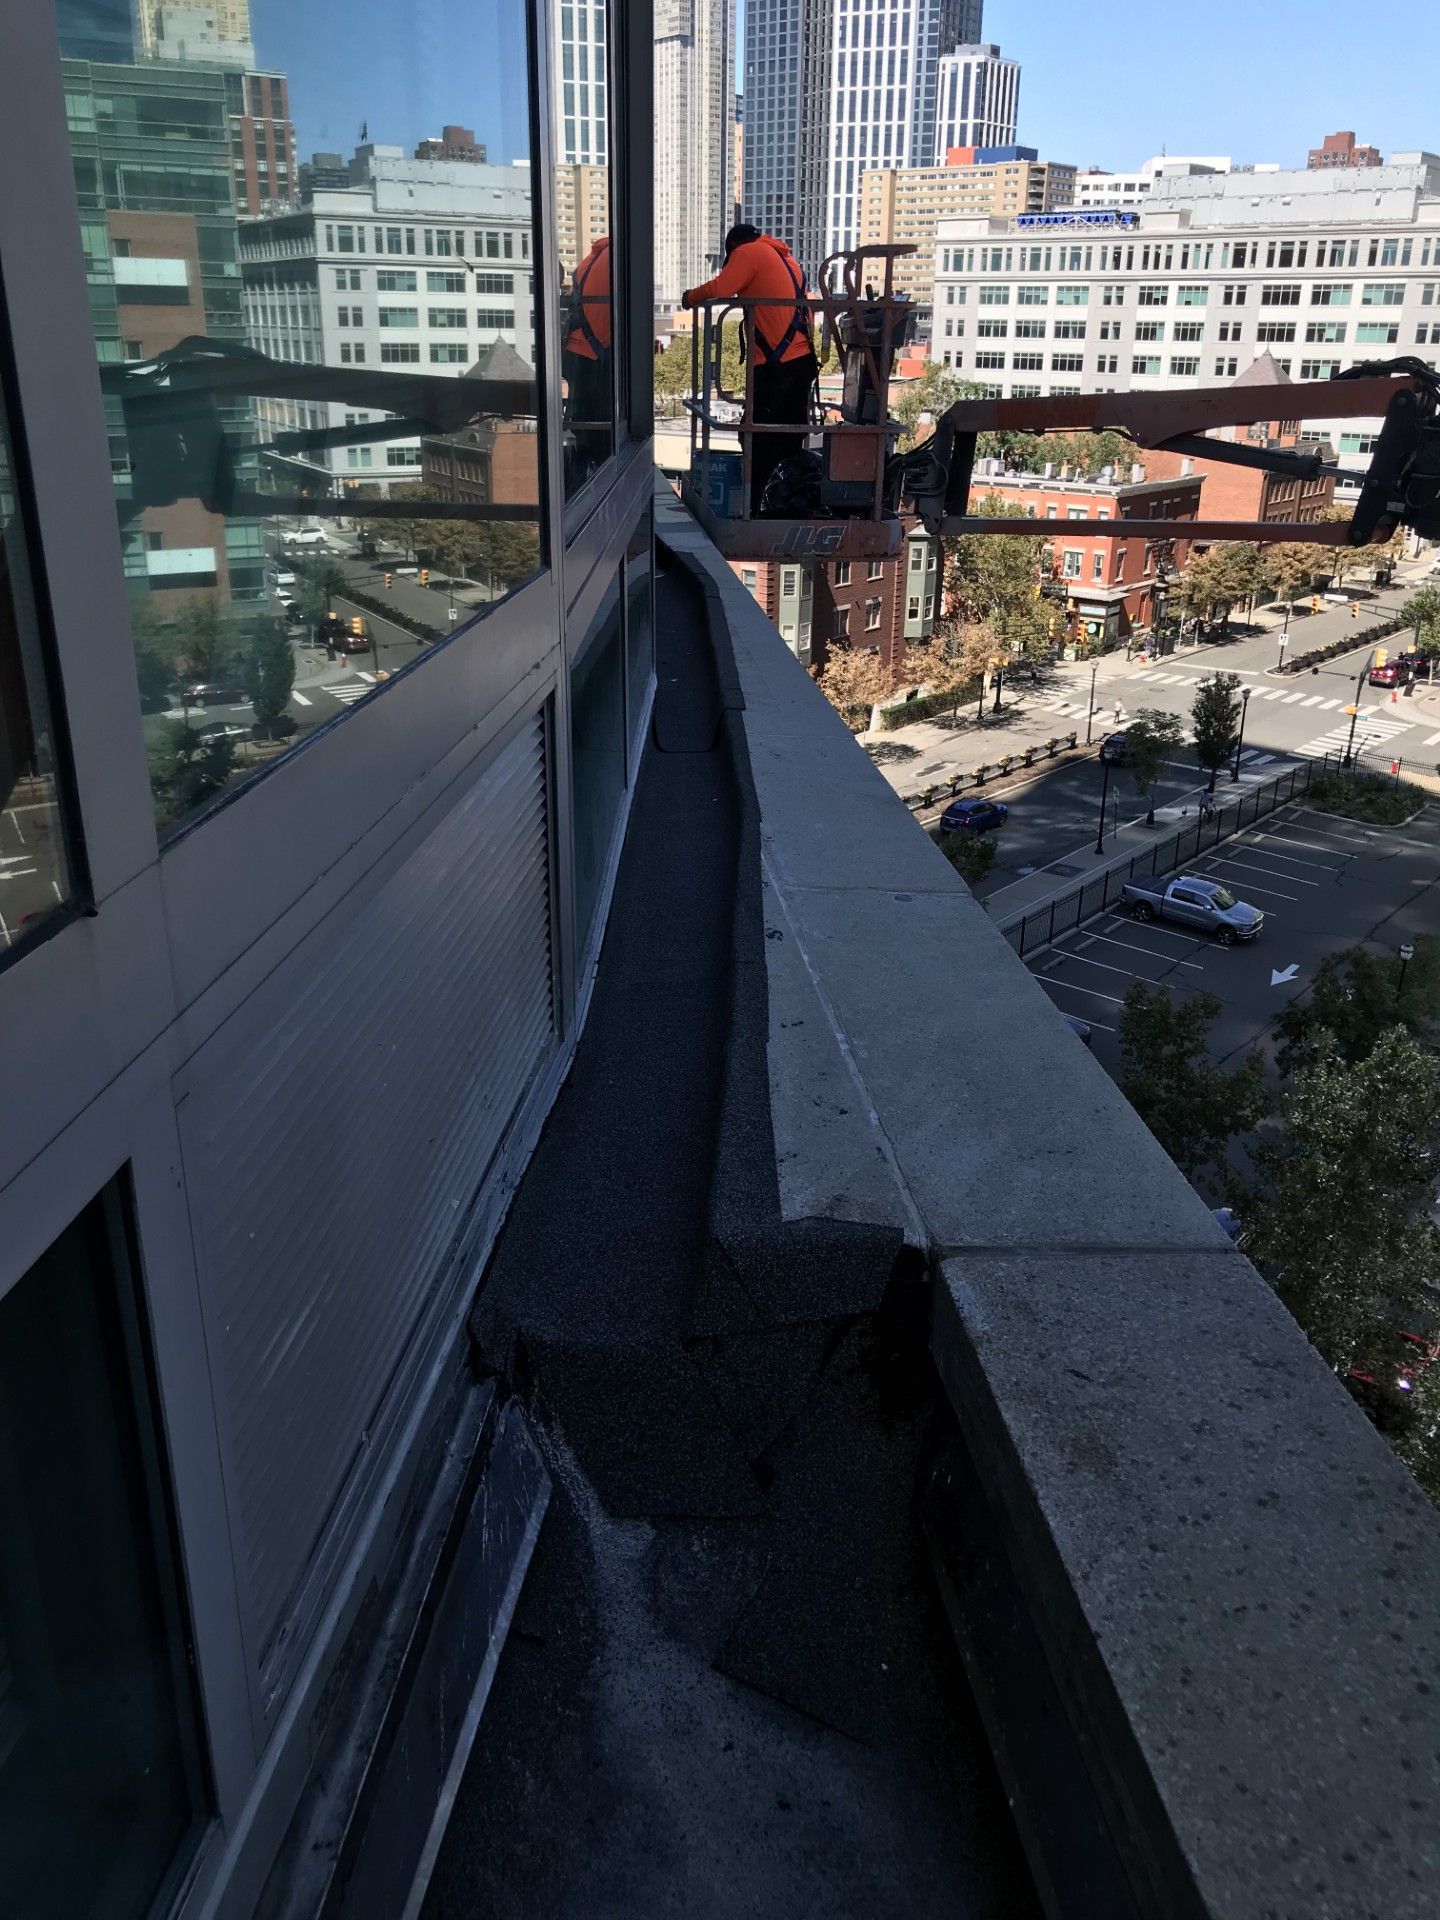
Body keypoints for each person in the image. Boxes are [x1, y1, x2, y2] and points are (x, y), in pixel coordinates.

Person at [683, 224, 817, 515]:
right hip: (799, 362)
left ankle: (757, 511)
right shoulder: (785, 259)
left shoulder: (749, 252)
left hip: (777, 368)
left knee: (759, 439)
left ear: (733, 247)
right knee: (789, 440)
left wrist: (689, 297)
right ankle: (784, 506)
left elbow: (720, 287)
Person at [562, 234, 611, 491]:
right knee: (597, 425)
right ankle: (593, 482)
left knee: (582, 420)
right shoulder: (617, 259)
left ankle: (579, 481)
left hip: (579, 347)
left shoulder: (590, 259)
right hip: (592, 353)